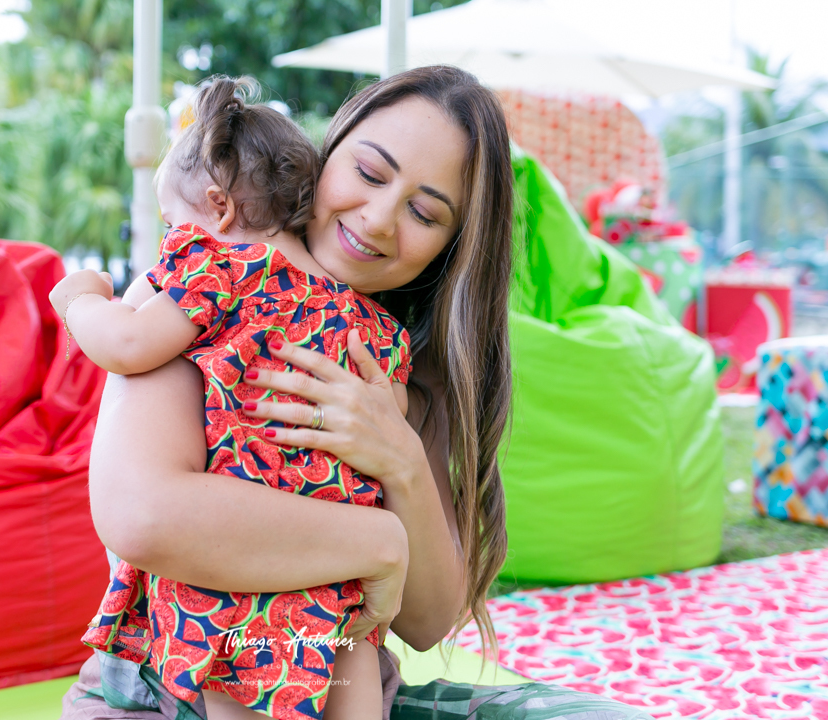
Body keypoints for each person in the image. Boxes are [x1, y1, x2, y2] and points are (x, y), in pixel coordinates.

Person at [60, 66, 652, 720]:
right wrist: (378, 541)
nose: (377, 219)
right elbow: (142, 516)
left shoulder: (392, 350)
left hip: (345, 681)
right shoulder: (211, 279)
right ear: (325, 154)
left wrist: (397, 455)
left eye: (424, 212)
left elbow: (427, 620)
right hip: (179, 680)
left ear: (449, 247)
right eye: (370, 174)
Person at [50, 76, 412, 720]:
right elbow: (388, 421)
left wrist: (79, 299)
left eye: (172, 223)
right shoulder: (372, 324)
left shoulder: (222, 268)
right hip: (337, 570)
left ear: (218, 209)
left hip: (235, 575)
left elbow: (129, 343)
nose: (171, 241)